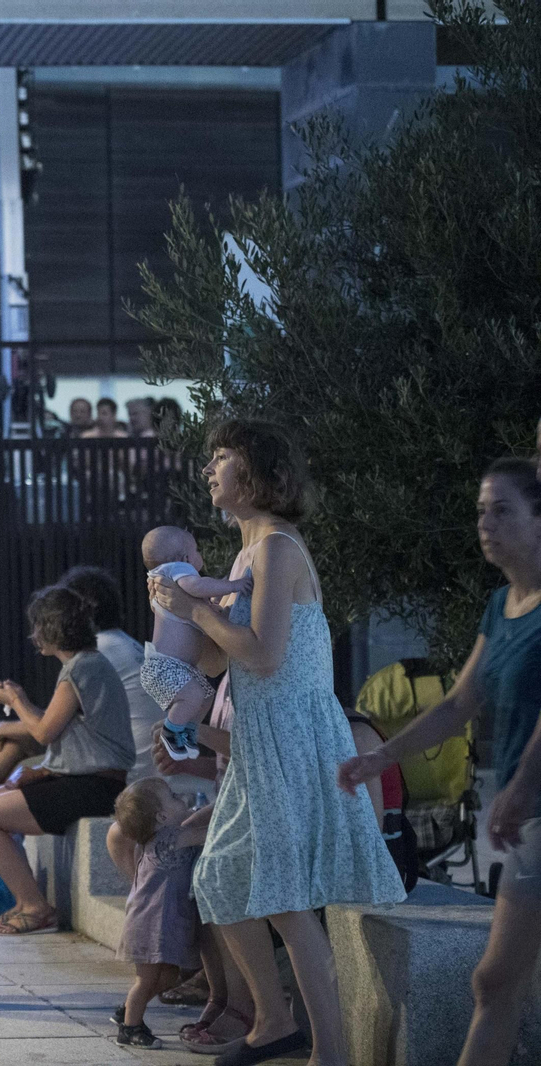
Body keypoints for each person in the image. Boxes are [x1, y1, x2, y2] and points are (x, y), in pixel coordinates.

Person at [150, 419, 404, 1066]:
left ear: (257, 473)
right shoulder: (244, 556)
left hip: (292, 736)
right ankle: (272, 1022)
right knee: (220, 878)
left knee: (286, 902)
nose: (211, 470)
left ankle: (330, 1051)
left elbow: (264, 655)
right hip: (259, 741)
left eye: (223, 457)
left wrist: (196, 612)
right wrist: (172, 616)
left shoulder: (278, 549)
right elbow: (216, 663)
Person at [339, 456, 541, 1066]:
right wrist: (381, 759)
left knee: (495, 981)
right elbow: (458, 704)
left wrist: (520, 788)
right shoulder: (501, 605)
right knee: (498, 983)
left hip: (534, 809)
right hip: (527, 815)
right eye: (481, 511)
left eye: (502, 510)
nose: (485, 523)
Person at [0, 586, 135, 935]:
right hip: (84, 780)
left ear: (53, 629)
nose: (34, 635)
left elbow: (43, 733)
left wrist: (16, 697)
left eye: (38, 626)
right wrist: (40, 768)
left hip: (95, 787)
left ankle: (34, 905)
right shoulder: (84, 665)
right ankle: (25, 899)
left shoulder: (83, 668)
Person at [110, 778, 211, 1049]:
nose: (182, 800)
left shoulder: (160, 836)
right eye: (174, 796)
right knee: (146, 980)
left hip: (161, 922)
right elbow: (210, 831)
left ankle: (130, 1008)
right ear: (162, 816)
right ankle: (130, 1028)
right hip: (149, 925)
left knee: (166, 977)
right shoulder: (170, 838)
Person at [141, 525, 246, 761]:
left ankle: (187, 731)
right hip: (166, 666)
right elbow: (196, 586)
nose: (200, 556)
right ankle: (172, 731)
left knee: (204, 695)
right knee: (193, 697)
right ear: (186, 558)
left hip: (171, 667)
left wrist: (212, 610)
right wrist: (232, 585)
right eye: (197, 550)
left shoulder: (171, 586)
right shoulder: (177, 571)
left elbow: (203, 623)